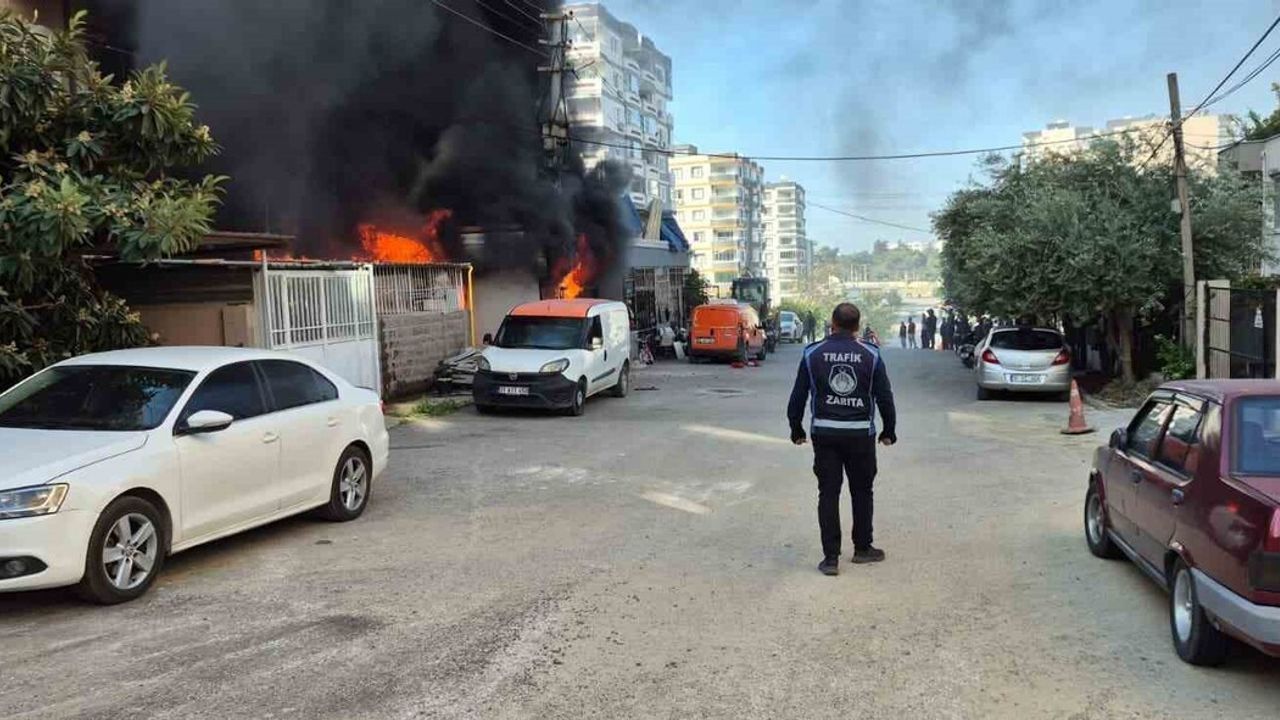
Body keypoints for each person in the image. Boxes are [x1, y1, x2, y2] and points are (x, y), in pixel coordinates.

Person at [787, 303, 897, 576]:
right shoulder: (871, 354)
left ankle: (830, 559)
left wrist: (796, 429)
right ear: (857, 326)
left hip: (824, 433)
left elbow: (798, 395)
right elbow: (884, 396)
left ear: (832, 324)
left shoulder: (812, 353)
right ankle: (862, 548)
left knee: (828, 493)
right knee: (862, 491)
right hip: (860, 434)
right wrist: (889, 431)